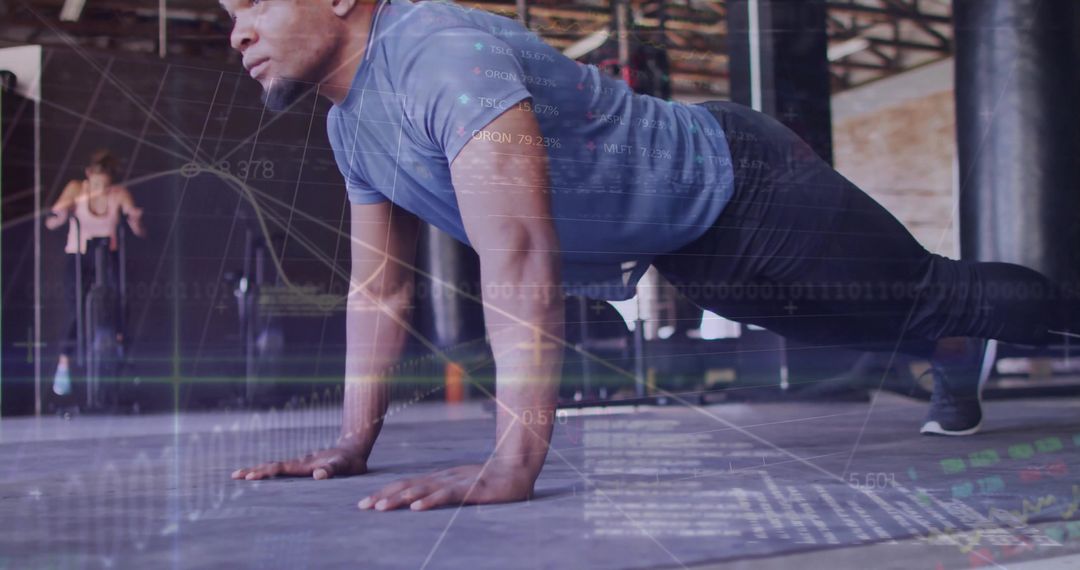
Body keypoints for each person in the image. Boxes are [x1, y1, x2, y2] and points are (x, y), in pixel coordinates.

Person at [222, 0, 1078, 510]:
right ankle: (948, 354)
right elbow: (378, 292)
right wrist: (350, 441)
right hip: (690, 239)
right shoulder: (349, 127)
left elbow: (518, 253)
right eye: (228, 16)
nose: (238, 32)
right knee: (868, 325)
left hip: (752, 180)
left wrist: (512, 463)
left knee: (935, 292)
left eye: (253, 3)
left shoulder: (442, 54)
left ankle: (967, 331)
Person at [45, 149, 146, 398]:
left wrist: (135, 220)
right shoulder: (76, 189)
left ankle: (120, 355)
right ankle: (65, 364)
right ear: (89, 174)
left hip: (108, 257)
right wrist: (60, 213)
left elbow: (138, 229)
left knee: (120, 304)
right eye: (97, 181)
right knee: (79, 309)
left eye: (106, 182)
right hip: (79, 256)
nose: (101, 186)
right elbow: (53, 220)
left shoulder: (119, 194)